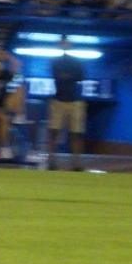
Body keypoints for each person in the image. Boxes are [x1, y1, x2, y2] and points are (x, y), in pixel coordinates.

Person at [47, 37, 86, 171]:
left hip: (73, 100)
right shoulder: (58, 62)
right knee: (54, 131)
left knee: (76, 133)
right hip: (60, 100)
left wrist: (66, 76)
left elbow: (79, 76)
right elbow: (61, 76)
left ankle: (76, 162)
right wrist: (70, 76)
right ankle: (52, 160)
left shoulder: (72, 62)